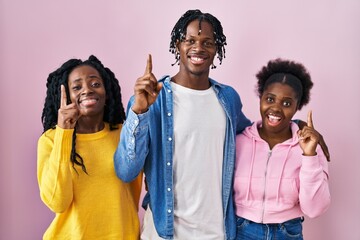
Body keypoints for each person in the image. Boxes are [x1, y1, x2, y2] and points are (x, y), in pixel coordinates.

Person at [114, 9, 251, 239]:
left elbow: (252, 134)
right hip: (166, 232)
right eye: (190, 40)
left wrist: (295, 128)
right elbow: (126, 170)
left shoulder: (228, 99)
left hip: (217, 232)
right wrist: (139, 111)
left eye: (207, 42)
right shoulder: (152, 99)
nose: (199, 47)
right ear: (178, 45)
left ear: (216, 49)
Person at [37, 55, 142, 239]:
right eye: (77, 87)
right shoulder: (51, 140)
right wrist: (64, 132)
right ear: (66, 96)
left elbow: (135, 190)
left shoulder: (124, 135)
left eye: (95, 84)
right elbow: (57, 202)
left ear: (107, 91)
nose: (87, 90)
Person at [233, 58, 331, 240]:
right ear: (261, 97)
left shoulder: (309, 147)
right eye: (270, 99)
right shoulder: (238, 141)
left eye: (286, 103)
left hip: (288, 233)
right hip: (241, 231)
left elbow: (315, 209)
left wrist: (309, 156)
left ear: (297, 106)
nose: (276, 108)